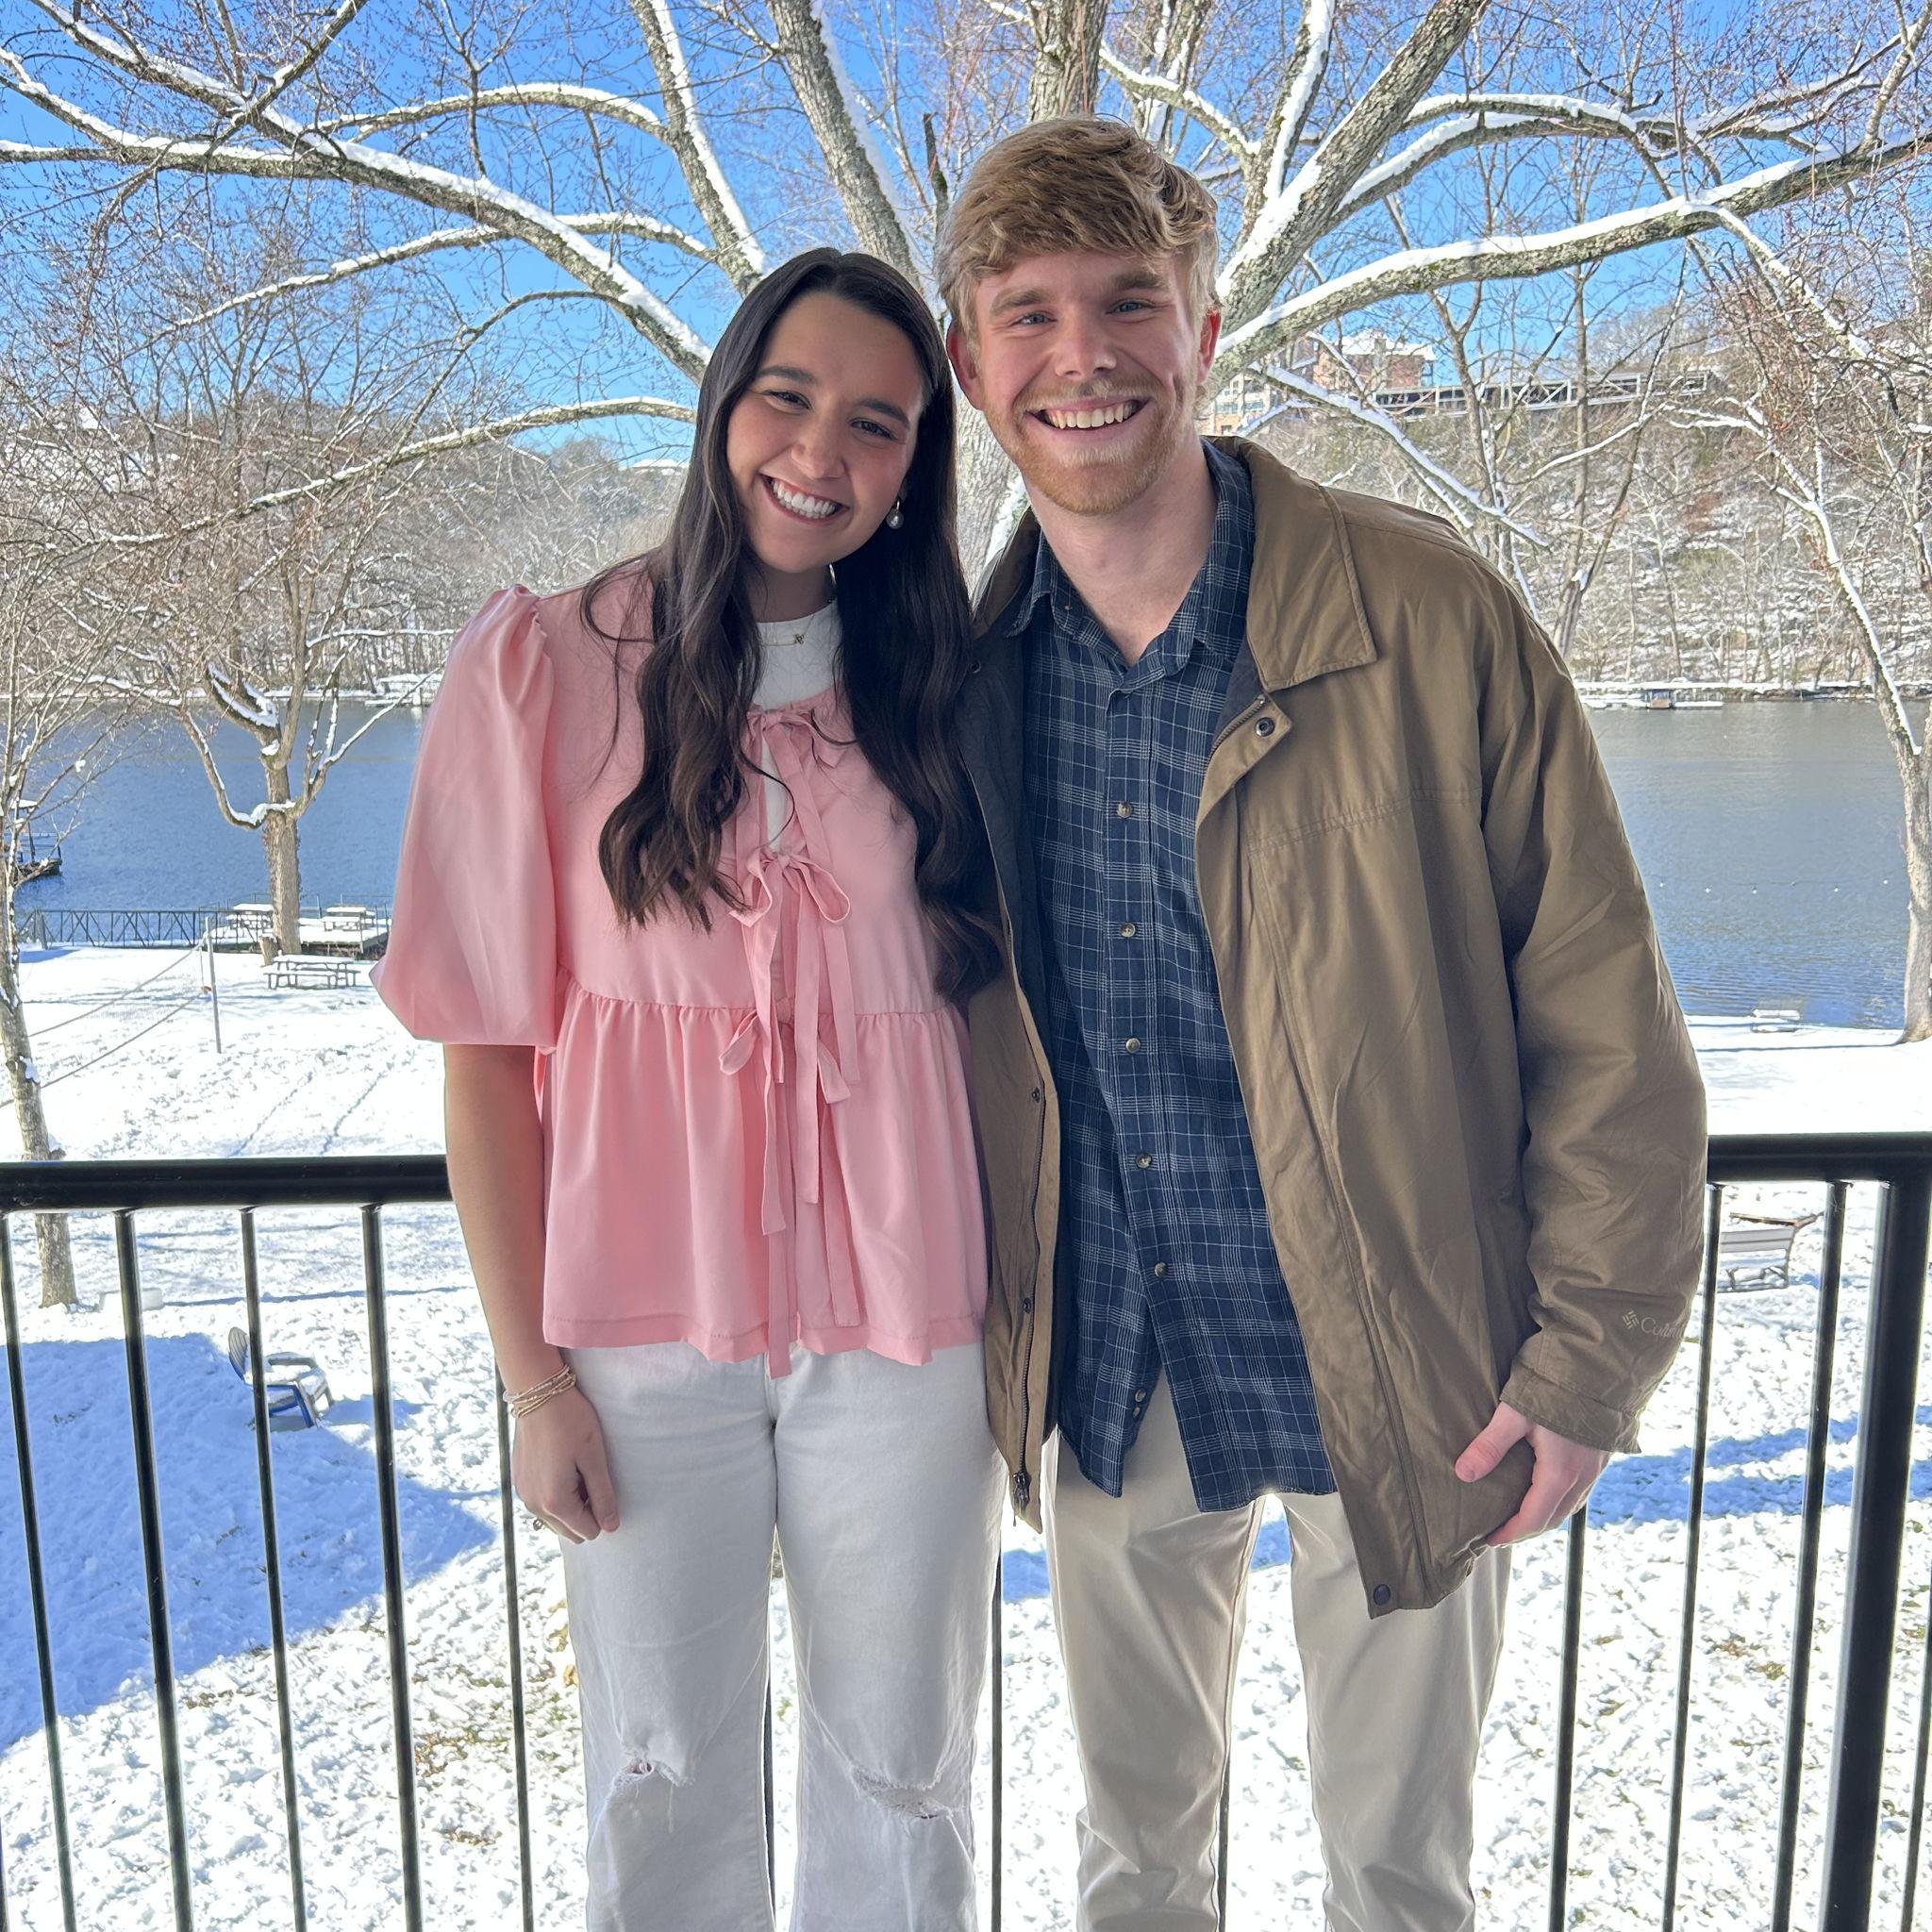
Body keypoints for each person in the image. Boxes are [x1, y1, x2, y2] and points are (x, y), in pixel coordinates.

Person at [937, 118, 1707, 1930]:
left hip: (1414, 1361)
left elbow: (1605, 1016)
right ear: (971, 364)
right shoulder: (965, 681)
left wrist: (1588, 1363)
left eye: (1131, 302)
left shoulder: (1428, 615)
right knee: (1136, 1868)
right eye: (1028, 313)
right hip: (1113, 1365)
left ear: (1205, 327)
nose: (1083, 355)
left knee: (1399, 1875)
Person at [372, 248, 1004, 1932]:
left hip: (909, 1322)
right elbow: (487, 1058)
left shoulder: (954, 684)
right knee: (656, 1773)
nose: (821, 451)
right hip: (641, 1332)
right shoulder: (547, 667)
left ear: (915, 466)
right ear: (725, 403)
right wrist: (534, 1385)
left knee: (908, 1769)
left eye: (876, 423)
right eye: (788, 397)